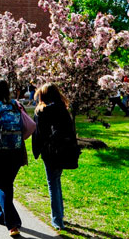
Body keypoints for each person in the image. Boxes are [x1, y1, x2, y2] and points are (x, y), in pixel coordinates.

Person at [32, 83, 80, 231]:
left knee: (53, 183)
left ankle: (57, 219)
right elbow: (70, 130)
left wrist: (37, 151)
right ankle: (59, 215)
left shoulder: (41, 111)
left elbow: (38, 133)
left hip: (50, 151)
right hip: (64, 150)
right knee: (56, 181)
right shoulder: (63, 109)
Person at [0, 79, 27, 237]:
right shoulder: (16, 104)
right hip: (16, 149)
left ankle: (12, 223)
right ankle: (0, 214)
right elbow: (24, 125)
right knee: (7, 185)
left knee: (1, 186)